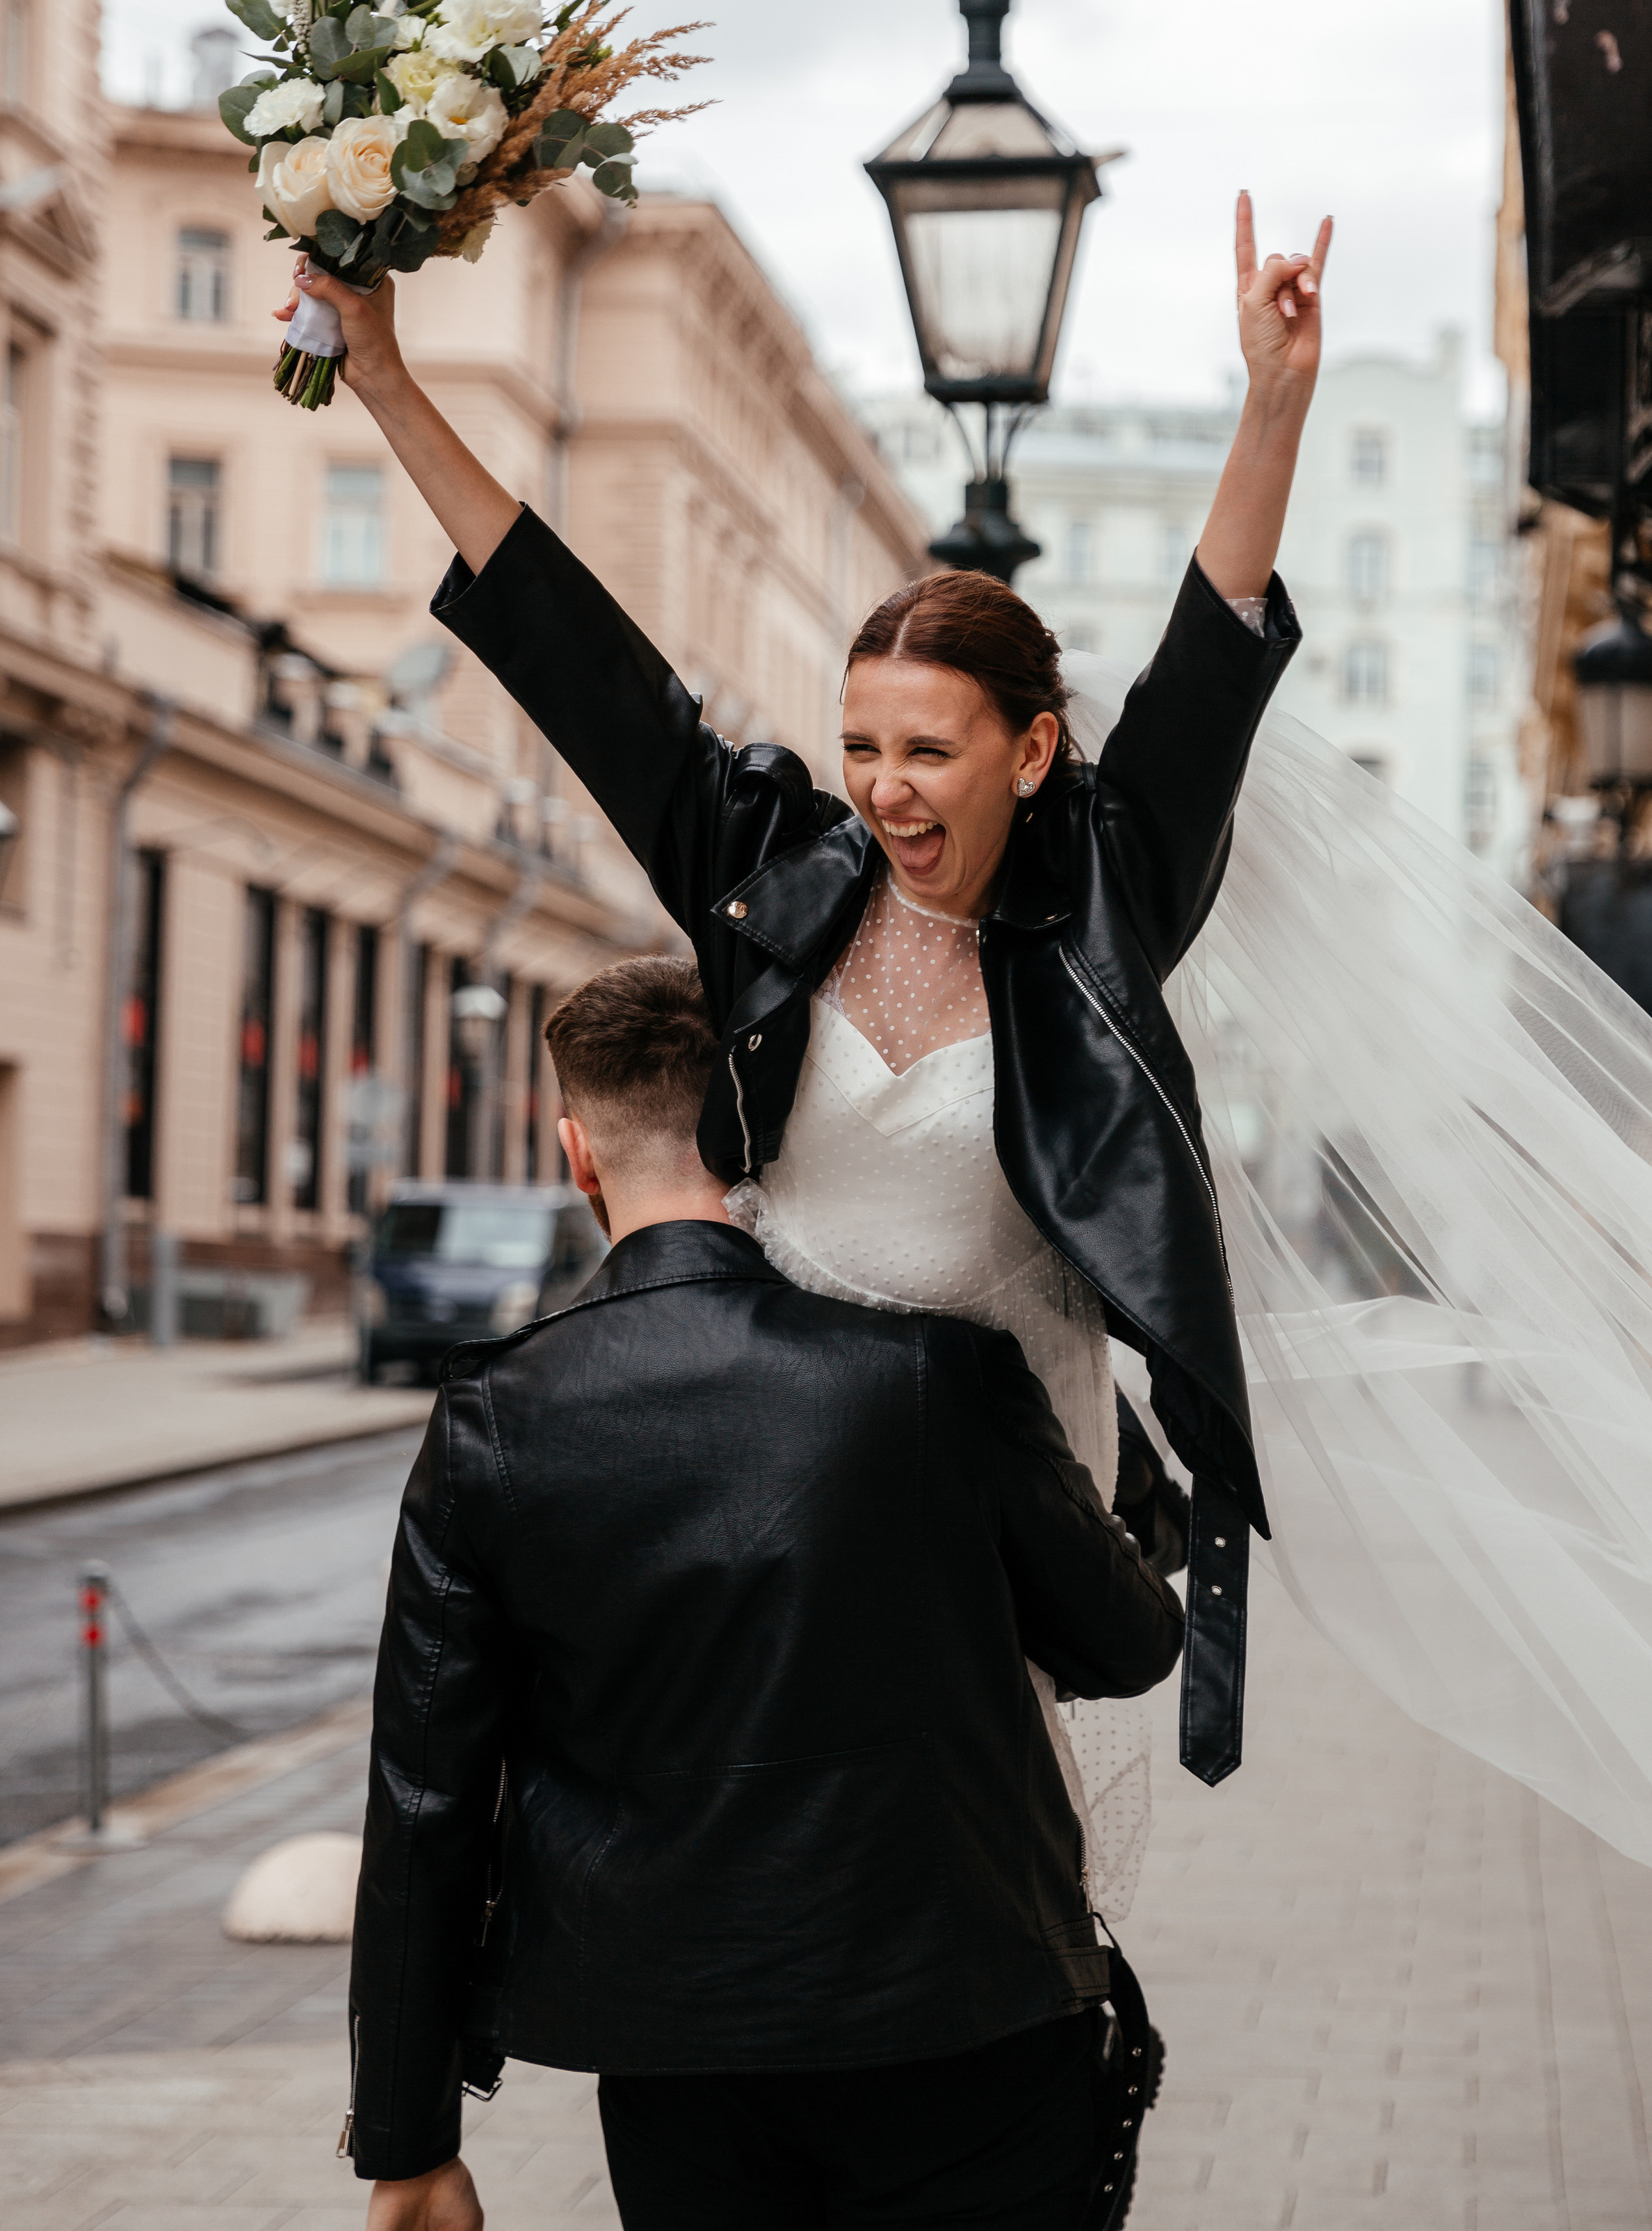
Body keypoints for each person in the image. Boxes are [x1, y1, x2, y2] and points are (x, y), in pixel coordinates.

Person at [288, 197, 1331, 1885]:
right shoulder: (768, 877)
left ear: (1029, 752)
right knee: (781, 1861)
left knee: (982, 1880)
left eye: (927, 751)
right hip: (774, 1464)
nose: (885, 791)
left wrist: (1270, 398)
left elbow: (1208, 664)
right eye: (860, 747)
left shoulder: (1105, 904)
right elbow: (578, 658)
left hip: (999, 1491)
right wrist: (388, 377)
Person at [347, 954, 1184, 2231]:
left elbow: (425, 1801)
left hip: (685, 2062)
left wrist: (408, 2141)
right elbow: (1128, 1644)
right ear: (773, 1123)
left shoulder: (494, 1423)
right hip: (970, 2022)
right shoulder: (936, 1371)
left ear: (577, 1155)